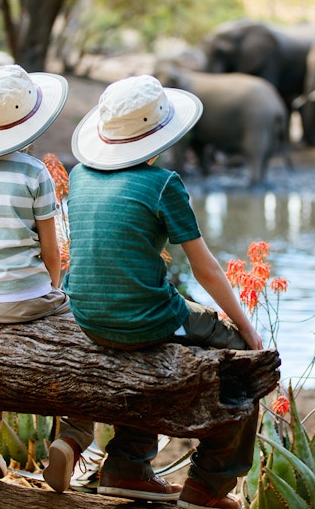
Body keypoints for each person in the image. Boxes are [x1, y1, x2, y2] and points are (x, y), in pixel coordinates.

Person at [63, 74, 264, 509]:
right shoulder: (163, 183)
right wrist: (246, 330)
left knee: (143, 350)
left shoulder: (79, 175)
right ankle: (208, 485)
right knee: (244, 366)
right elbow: (205, 268)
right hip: (144, 318)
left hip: (84, 316)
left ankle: (127, 468)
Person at [0, 64, 93, 492]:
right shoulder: (34, 174)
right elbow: (51, 251)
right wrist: (54, 289)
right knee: (87, 346)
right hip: (29, 298)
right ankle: (73, 437)